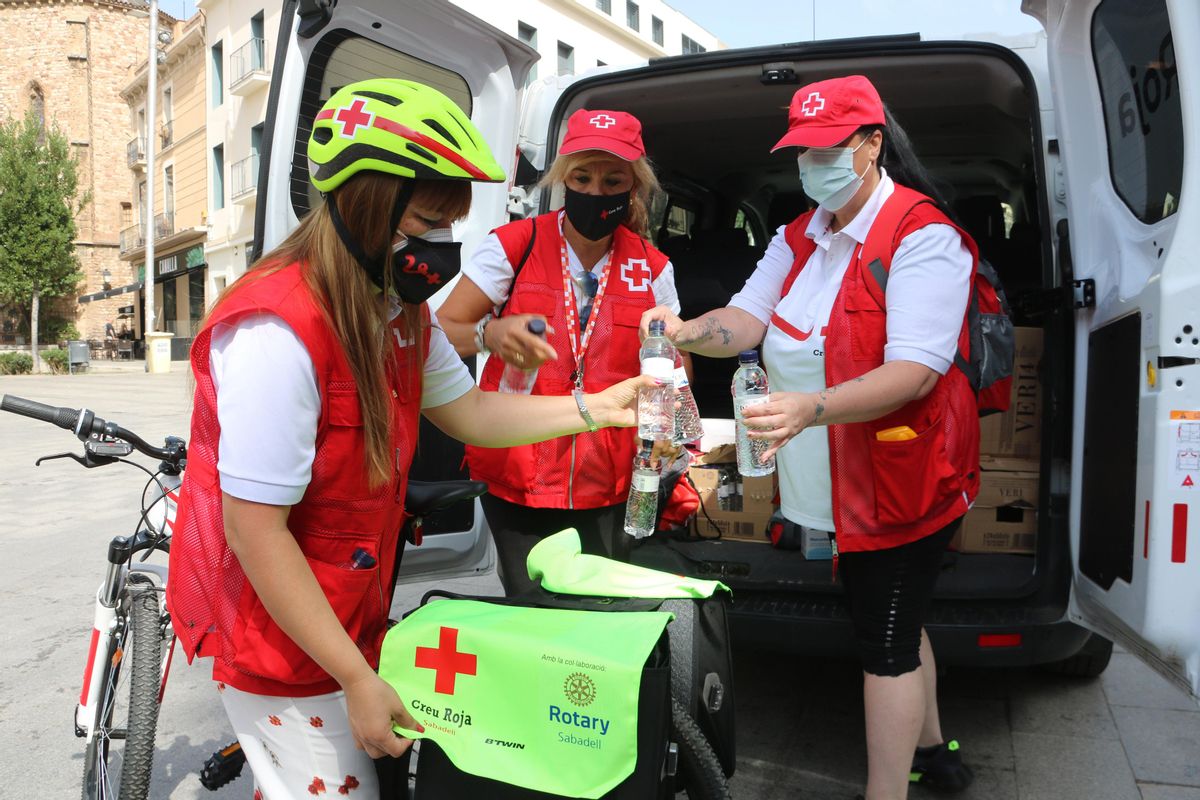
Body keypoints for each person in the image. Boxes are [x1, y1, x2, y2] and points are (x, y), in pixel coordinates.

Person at [166, 80, 651, 800]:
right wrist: (357, 679)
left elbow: (473, 414)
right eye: (427, 219)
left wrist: (596, 408)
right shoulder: (278, 330)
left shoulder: (396, 310)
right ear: (365, 201)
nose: (440, 244)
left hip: (350, 622)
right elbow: (255, 530)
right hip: (287, 651)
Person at [640, 75, 978, 800]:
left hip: (902, 476)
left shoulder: (923, 237)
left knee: (883, 643)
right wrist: (687, 331)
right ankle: (939, 755)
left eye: (826, 149)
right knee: (891, 613)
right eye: (800, 151)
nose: (810, 164)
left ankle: (887, 791)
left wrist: (809, 409)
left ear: (871, 145)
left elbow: (917, 372)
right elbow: (747, 321)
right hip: (832, 478)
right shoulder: (801, 234)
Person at [437, 108, 685, 595]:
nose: (595, 192)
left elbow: (676, 367)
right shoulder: (514, 244)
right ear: (561, 179)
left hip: (610, 480)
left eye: (613, 180)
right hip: (519, 471)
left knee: (596, 615)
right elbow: (443, 330)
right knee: (534, 609)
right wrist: (491, 334)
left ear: (634, 187)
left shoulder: (653, 267)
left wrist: (670, 429)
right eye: (582, 177)